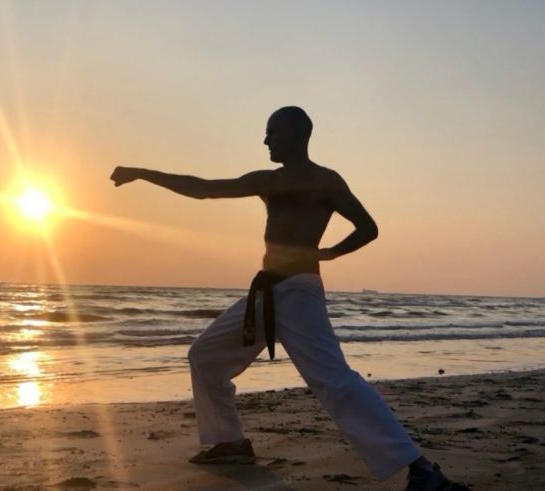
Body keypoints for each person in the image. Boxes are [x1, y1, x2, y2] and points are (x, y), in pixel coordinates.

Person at [111, 107, 462, 490]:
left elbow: (368, 228)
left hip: (299, 293)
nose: (265, 141)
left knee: (334, 381)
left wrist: (328, 254)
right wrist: (143, 173)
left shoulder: (326, 181)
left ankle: (421, 469)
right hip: (267, 292)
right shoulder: (268, 181)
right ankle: (230, 442)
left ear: (296, 135)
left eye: (272, 133)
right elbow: (204, 188)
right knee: (205, 356)